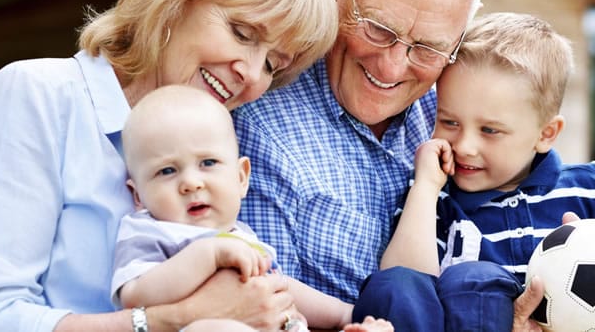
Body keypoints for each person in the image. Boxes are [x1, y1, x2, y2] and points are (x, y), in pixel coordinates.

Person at [231, 0, 595, 330]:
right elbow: (264, 310)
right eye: (378, 28)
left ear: (462, 30)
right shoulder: (260, 121)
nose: (392, 66)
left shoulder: (461, 100)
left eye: (428, 47)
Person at [0, 0, 340, 332]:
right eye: (242, 32)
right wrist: (171, 320)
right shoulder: (36, 97)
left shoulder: (218, 156)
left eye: (272, 64)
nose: (251, 74)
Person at [354, 12, 595, 331]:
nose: (465, 146)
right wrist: (426, 189)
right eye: (450, 122)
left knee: (477, 278)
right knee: (455, 280)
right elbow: (403, 287)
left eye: (490, 130)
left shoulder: (592, 189)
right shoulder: (437, 198)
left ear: (546, 134)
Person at [113, 85, 394, 332]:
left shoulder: (242, 235)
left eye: (208, 163)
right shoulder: (149, 231)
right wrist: (208, 254)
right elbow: (135, 295)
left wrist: (344, 314)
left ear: (241, 178)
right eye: (167, 171)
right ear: (138, 195)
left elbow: (281, 288)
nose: (191, 182)